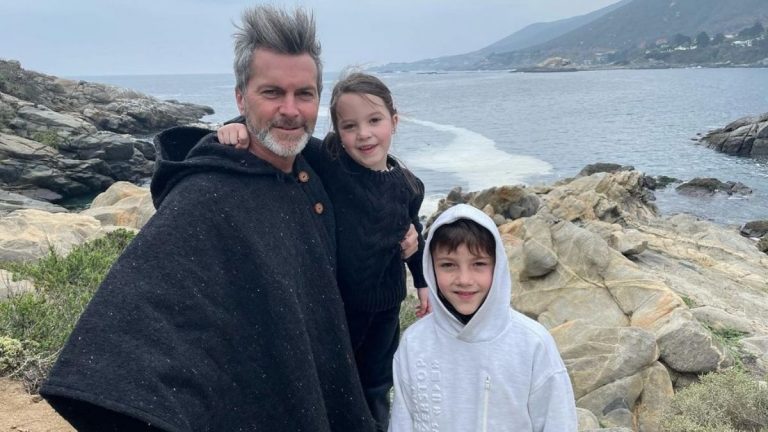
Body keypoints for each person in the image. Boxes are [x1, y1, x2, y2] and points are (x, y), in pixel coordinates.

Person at [39, 6, 376, 432]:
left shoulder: (314, 172)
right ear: (241, 97)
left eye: (304, 94)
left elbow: (382, 185)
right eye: (272, 92)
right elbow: (132, 333)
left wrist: (410, 237)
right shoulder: (205, 198)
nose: (291, 109)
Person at [212, 72, 431, 432]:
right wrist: (237, 126)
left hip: (386, 309)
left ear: (394, 121)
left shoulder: (410, 185)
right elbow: (283, 131)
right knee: (333, 383)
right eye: (350, 126)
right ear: (337, 133)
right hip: (338, 307)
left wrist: (422, 281)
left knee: (376, 386)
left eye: (374, 121)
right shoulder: (331, 162)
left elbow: (413, 232)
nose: (364, 134)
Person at [389, 204, 578, 432]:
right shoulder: (414, 343)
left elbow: (558, 422)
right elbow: (401, 423)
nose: (464, 279)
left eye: (478, 264)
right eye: (448, 265)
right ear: (431, 268)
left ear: (497, 267)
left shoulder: (533, 344)